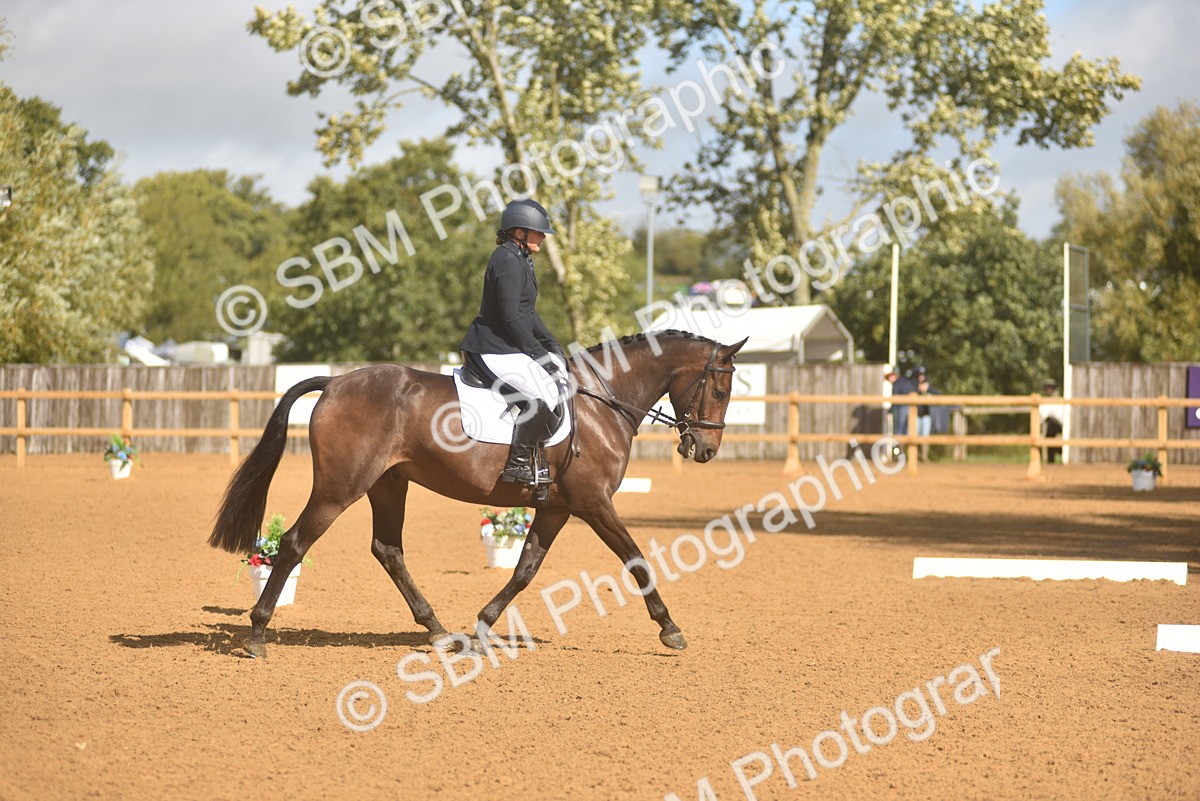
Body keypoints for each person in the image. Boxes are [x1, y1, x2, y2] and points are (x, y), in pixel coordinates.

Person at [460, 199, 567, 489]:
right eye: (538, 232)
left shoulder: (520, 259)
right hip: (489, 348)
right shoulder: (506, 260)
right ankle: (517, 465)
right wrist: (539, 355)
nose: (543, 237)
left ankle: (536, 460)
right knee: (541, 394)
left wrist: (552, 345)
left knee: (553, 385)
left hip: (506, 347)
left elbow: (527, 313)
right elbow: (510, 319)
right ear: (519, 232)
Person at [885, 367, 917, 437]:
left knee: (899, 430)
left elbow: (895, 400)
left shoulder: (897, 384)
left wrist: (890, 412)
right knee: (908, 430)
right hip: (912, 407)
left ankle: (899, 447)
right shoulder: (907, 381)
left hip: (902, 408)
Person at [1040, 379, 1065, 463]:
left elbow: (1061, 417)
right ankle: (1050, 460)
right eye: (1047, 387)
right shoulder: (1043, 401)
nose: (1048, 389)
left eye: (1051, 387)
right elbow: (1042, 417)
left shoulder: (1060, 400)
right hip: (1048, 427)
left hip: (1059, 426)